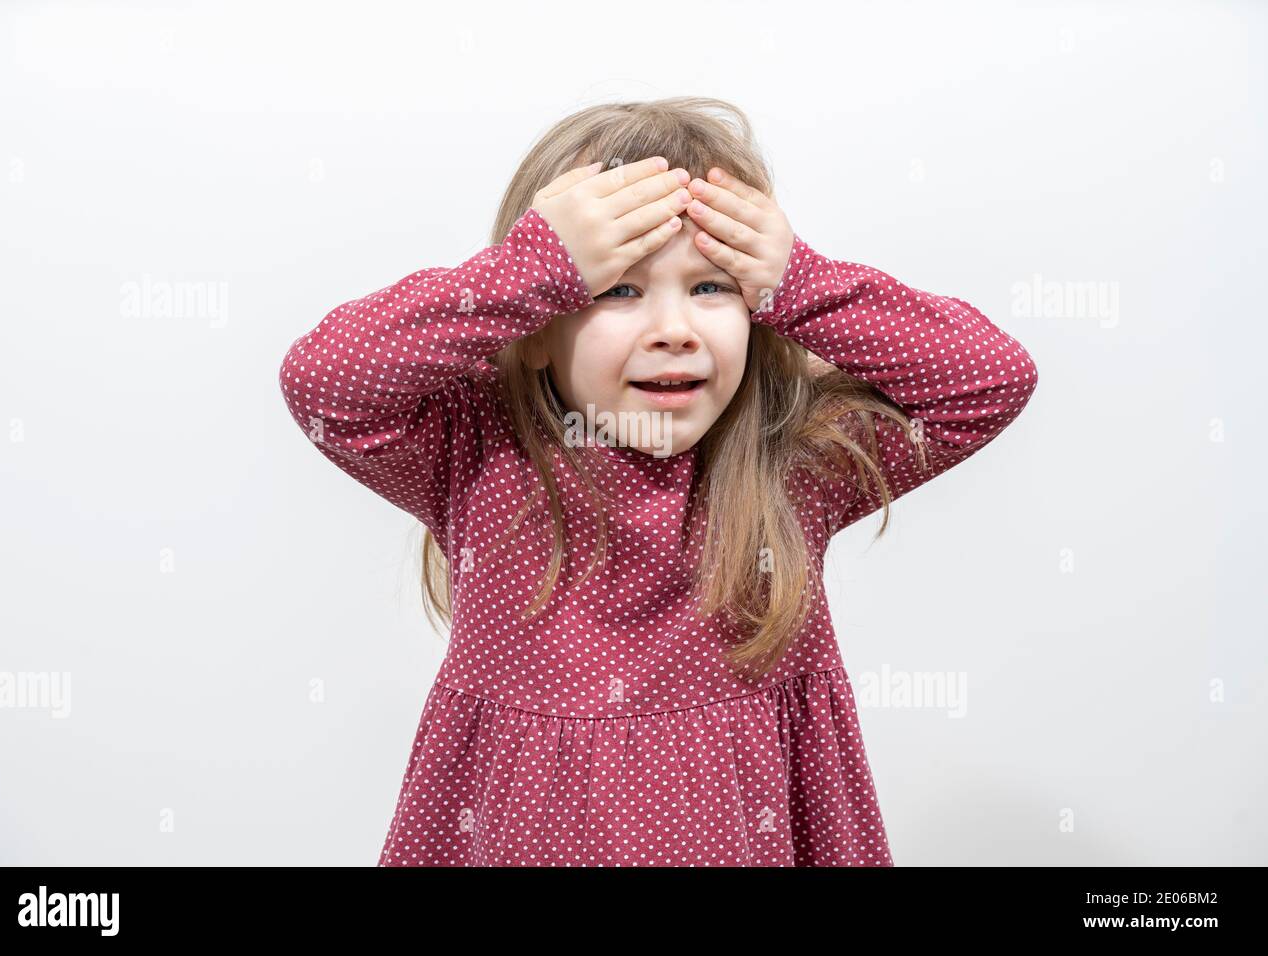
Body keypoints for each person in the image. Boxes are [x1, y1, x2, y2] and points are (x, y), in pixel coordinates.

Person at [277, 97, 1039, 866]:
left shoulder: (791, 460)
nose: (675, 328)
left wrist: (802, 281)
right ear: (537, 326)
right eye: (617, 290)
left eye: (712, 288)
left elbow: (991, 379)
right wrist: (528, 269)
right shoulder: (479, 454)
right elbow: (324, 381)